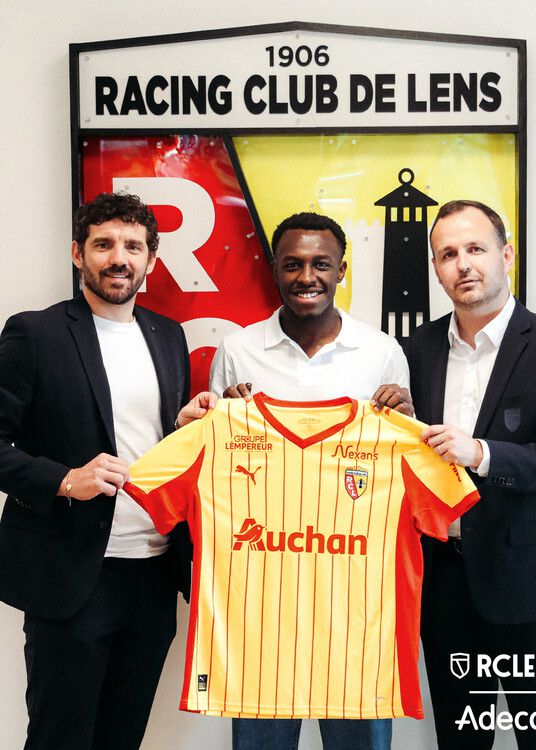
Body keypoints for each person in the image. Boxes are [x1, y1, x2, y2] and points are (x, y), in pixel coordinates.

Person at [0, 192, 209, 750]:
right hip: (73, 574)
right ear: (78, 253)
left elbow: (152, 440)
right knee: (60, 738)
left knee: (123, 737)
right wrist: (65, 480)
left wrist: (182, 426)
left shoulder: (168, 335)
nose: (119, 258)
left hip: (154, 572)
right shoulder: (35, 333)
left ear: (151, 260)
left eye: (133, 247)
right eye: (104, 245)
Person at [210, 211, 413, 750]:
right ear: (274, 270)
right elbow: (219, 465)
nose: (307, 277)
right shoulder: (237, 351)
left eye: (321, 264)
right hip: (263, 601)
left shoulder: (383, 353)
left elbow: (404, 467)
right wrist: (222, 418)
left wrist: (408, 420)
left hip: (356, 601)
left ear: (342, 270)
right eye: (292, 264)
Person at [404, 200, 536, 749]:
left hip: (532, 587)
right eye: (448, 254)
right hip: (445, 587)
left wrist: (482, 453)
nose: (463, 264)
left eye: (476, 249)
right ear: (436, 268)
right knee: (460, 742)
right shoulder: (415, 350)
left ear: (506, 255)